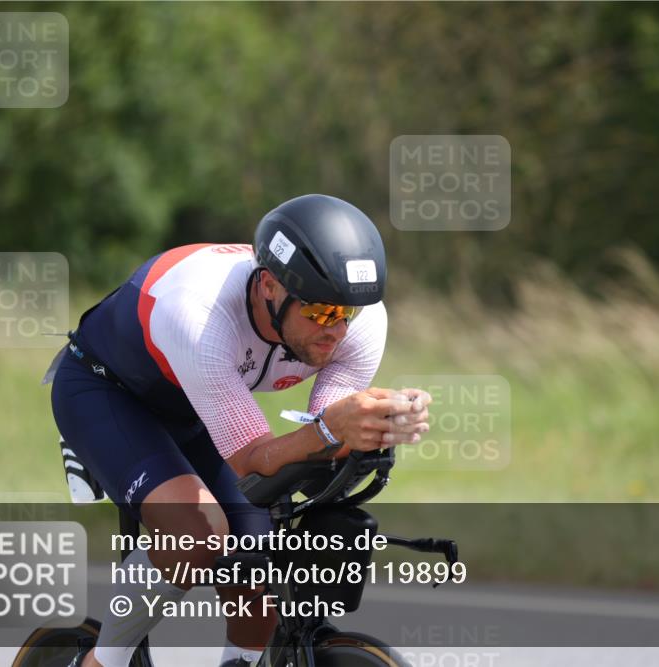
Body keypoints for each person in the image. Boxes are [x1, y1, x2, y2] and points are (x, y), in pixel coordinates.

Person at [48, 194, 431, 667]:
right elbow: (255, 458)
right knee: (195, 534)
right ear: (269, 286)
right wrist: (332, 429)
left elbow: (321, 437)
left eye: (345, 315)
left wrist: (377, 424)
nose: (336, 331)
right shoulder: (201, 315)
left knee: (259, 559)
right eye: (321, 314)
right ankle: (99, 662)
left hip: (195, 402)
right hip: (107, 393)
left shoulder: (362, 320)